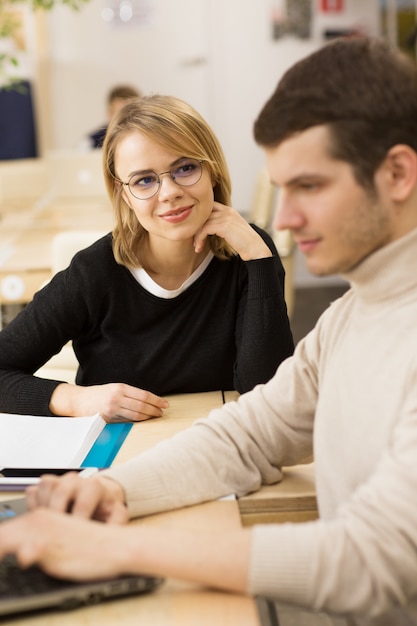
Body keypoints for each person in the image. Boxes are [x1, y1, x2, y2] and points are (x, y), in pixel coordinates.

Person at [1, 35, 416, 623]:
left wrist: (118, 547)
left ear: (397, 173)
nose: (285, 219)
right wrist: (114, 490)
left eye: (310, 186)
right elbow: (252, 431)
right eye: (284, 188)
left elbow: (372, 565)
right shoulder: (352, 314)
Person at [0, 94, 293, 422]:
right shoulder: (94, 273)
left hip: (216, 446)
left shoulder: (250, 253)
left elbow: (268, 391)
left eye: (185, 168)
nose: (169, 192)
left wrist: (258, 260)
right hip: (116, 458)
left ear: (212, 170)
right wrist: (75, 399)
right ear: (124, 192)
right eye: (144, 180)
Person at [82, 84, 141, 149]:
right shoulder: (91, 142)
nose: (122, 120)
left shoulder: (145, 138)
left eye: (128, 114)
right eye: (116, 114)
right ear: (109, 113)